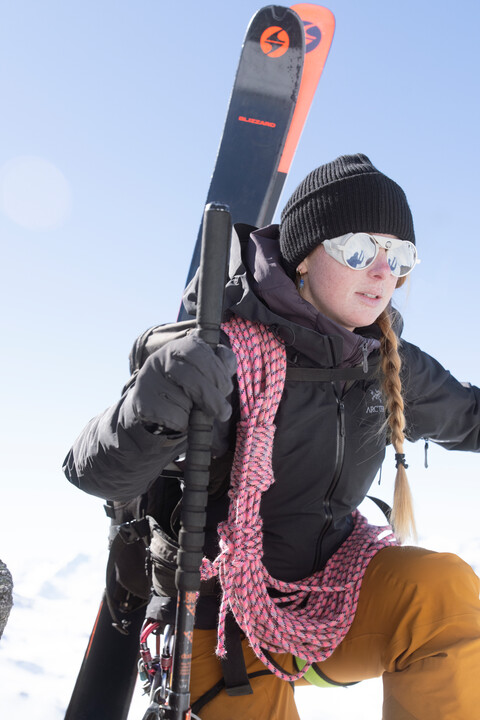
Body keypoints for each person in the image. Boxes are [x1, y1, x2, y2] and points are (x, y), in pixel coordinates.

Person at [63, 154, 480, 720]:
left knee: (442, 592)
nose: (384, 272)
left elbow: (471, 418)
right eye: (359, 250)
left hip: (332, 596)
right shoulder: (220, 349)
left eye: (400, 256)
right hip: (218, 621)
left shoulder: (383, 363)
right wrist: (154, 403)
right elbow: (95, 472)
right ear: (306, 256)